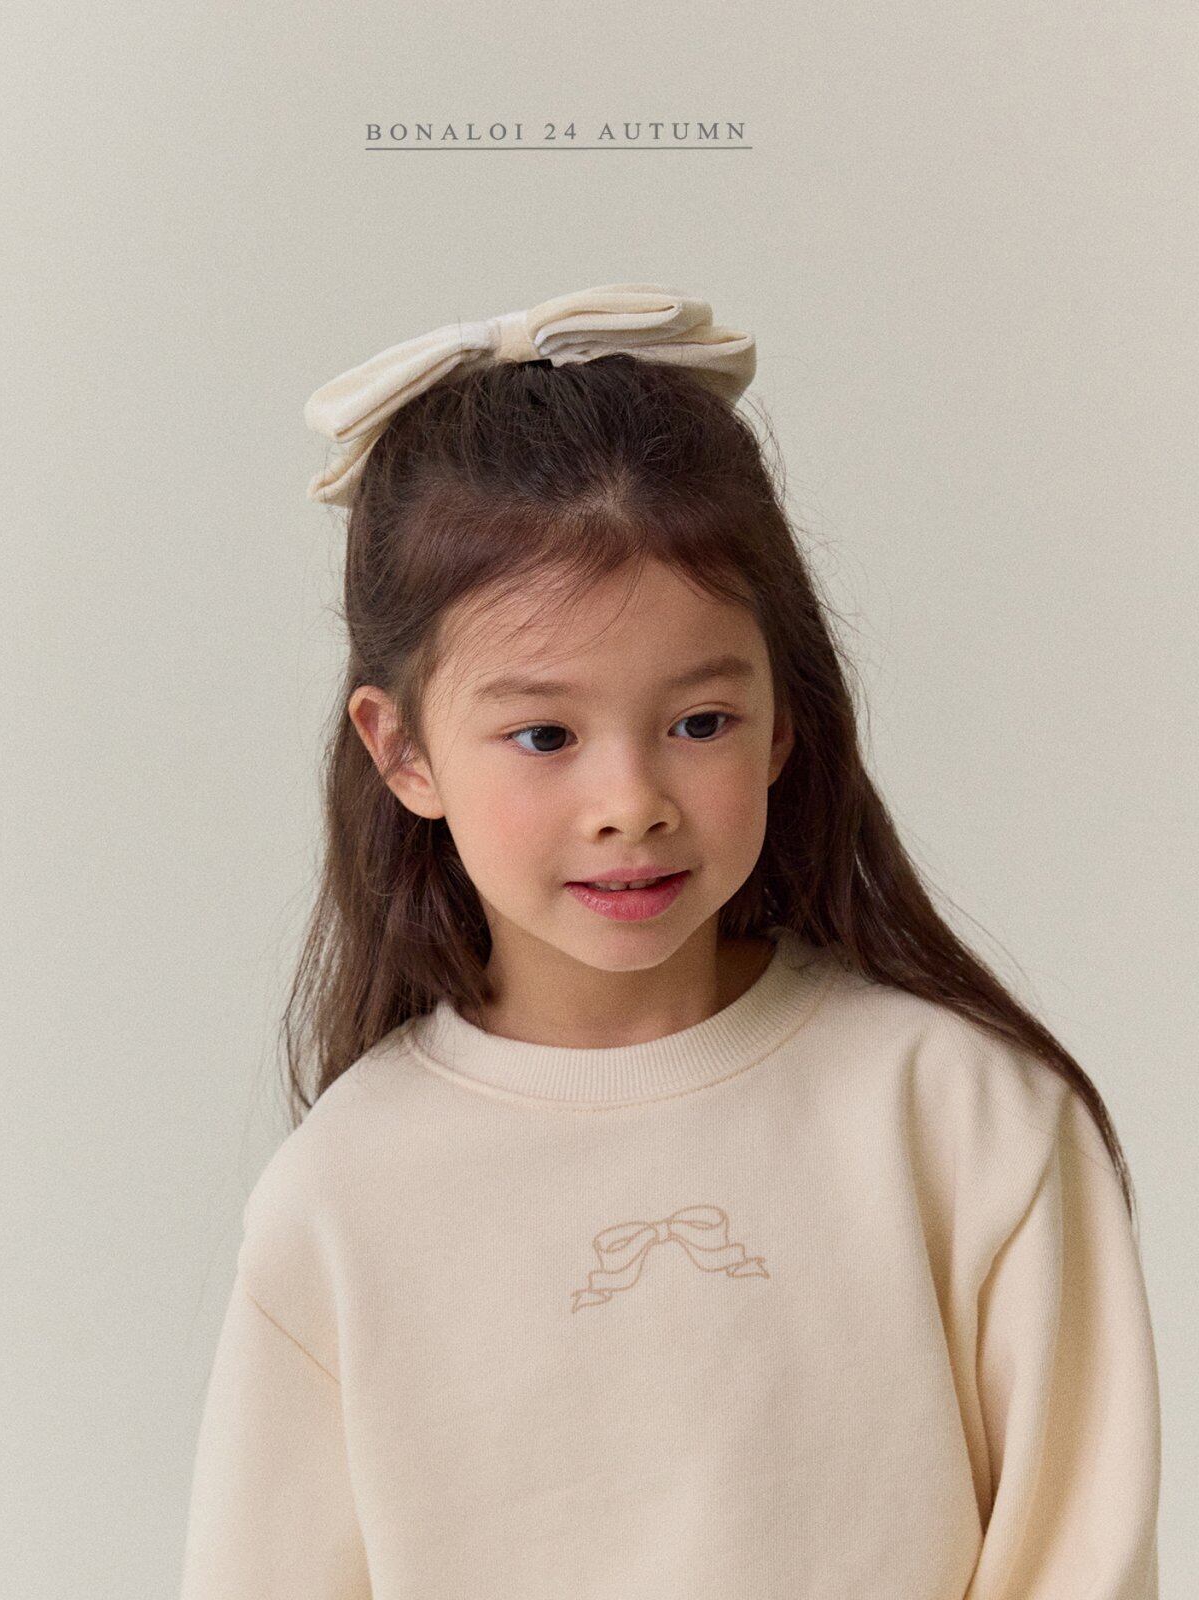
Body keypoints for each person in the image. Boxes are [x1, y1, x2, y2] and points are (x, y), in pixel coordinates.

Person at [177, 284, 1161, 1598]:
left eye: (700, 722)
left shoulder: (967, 1118)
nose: (630, 801)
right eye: (545, 734)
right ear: (402, 750)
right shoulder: (342, 1195)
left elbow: (1080, 1559)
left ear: (784, 718)